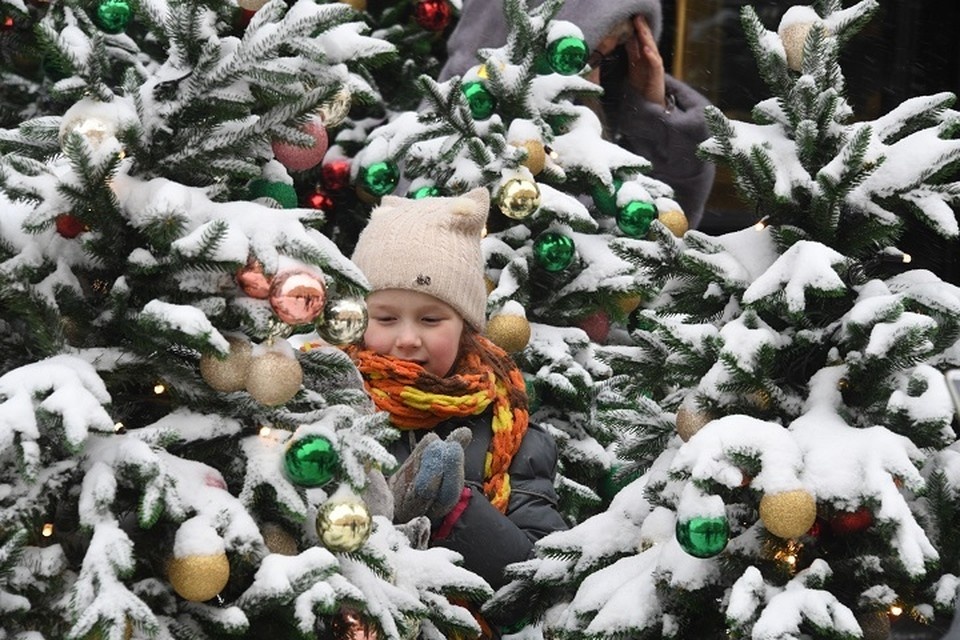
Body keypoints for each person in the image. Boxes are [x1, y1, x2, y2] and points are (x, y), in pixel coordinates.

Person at [345, 187, 568, 633]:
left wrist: (458, 511)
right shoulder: (329, 405)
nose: (408, 339)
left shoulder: (508, 429)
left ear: (465, 326)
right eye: (386, 318)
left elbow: (536, 579)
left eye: (431, 320)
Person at [439, 0, 716, 230]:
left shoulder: (606, 123)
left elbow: (672, 228)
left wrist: (653, 109)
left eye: (614, 57)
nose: (594, 80)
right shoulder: (443, 143)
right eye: (584, 58)